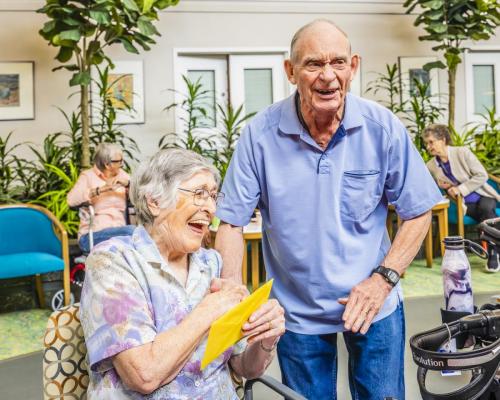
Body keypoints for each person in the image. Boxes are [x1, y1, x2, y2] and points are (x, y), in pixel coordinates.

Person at [215, 19, 443, 400]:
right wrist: (234, 294)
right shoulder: (259, 135)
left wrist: (382, 280)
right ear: (290, 71)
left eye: (338, 63)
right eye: (313, 64)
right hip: (297, 312)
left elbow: (418, 211)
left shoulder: (381, 127)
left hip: (376, 302)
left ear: (353, 67)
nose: (328, 76)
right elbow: (231, 223)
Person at [79, 148, 285, 399]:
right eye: (199, 194)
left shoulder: (212, 264)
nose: (210, 208)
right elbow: (143, 375)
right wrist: (210, 309)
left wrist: (266, 338)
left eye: (212, 196)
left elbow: (244, 367)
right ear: (154, 201)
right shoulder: (113, 261)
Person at [423, 123, 500, 272]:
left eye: (431, 142)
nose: (428, 147)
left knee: (485, 208)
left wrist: (460, 188)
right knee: (485, 214)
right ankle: (494, 251)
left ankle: (492, 253)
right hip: (462, 204)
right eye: (427, 143)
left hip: (482, 194)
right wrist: (444, 187)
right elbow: (432, 188)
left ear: (443, 139)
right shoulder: (431, 165)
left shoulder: (462, 153)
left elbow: (482, 175)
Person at [67, 143, 135, 253]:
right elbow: (71, 200)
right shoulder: (87, 176)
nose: (122, 164)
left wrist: (128, 184)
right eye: (119, 161)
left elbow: (142, 193)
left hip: (120, 232)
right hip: (92, 236)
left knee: (139, 234)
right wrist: (99, 190)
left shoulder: (122, 175)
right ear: (107, 164)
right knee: (134, 232)